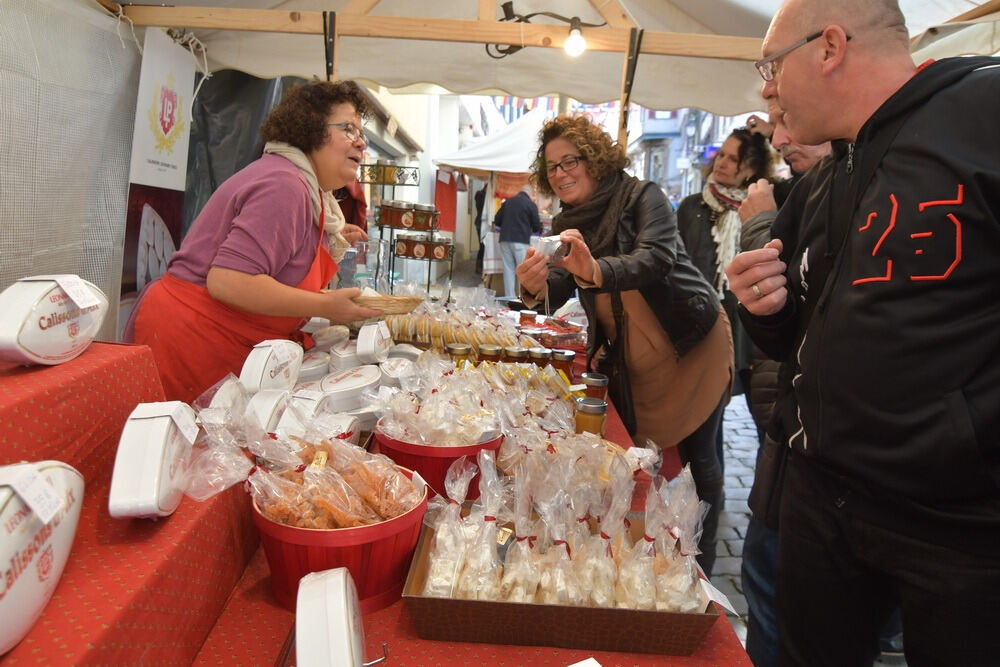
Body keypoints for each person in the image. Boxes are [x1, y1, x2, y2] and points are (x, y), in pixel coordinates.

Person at [725, 1, 1000, 664]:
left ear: (829, 47)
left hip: (959, 523)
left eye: (771, 64)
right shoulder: (822, 184)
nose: (767, 89)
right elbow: (797, 343)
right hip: (824, 500)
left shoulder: (982, 110)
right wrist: (765, 311)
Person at [515, 115, 733, 575]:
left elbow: (655, 258)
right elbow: (560, 283)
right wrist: (534, 289)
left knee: (703, 461)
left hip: (690, 341)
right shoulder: (568, 221)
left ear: (594, 159)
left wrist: (595, 271)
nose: (561, 173)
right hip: (634, 357)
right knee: (634, 459)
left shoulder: (643, 196)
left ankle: (702, 568)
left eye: (570, 160)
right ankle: (632, 552)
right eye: (551, 166)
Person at [132, 80, 382, 402]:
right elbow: (229, 281)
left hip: (219, 340)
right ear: (311, 130)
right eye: (348, 129)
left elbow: (275, 262)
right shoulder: (285, 185)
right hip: (194, 341)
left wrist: (318, 238)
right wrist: (326, 307)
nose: (360, 143)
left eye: (362, 134)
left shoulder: (303, 190)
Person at [739, 105, 832, 667]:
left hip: (817, 460)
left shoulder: (820, 199)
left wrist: (757, 226)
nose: (781, 137)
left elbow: (805, 326)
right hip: (790, 446)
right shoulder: (808, 194)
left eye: (792, 118)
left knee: (779, 605)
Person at [677, 128, 776, 462]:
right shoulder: (692, 207)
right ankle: (709, 511)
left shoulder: (763, 211)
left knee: (767, 425)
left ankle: (763, 511)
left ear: (751, 167)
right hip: (708, 330)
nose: (723, 163)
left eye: (734, 159)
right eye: (721, 155)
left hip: (755, 333)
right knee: (706, 433)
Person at [495, 184, 541, 297]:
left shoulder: (508, 202)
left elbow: (497, 220)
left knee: (508, 270)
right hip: (521, 241)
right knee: (523, 271)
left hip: (505, 239)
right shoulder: (530, 204)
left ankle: (509, 297)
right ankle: (522, 298)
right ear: (530, 194)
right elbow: (536, 225)